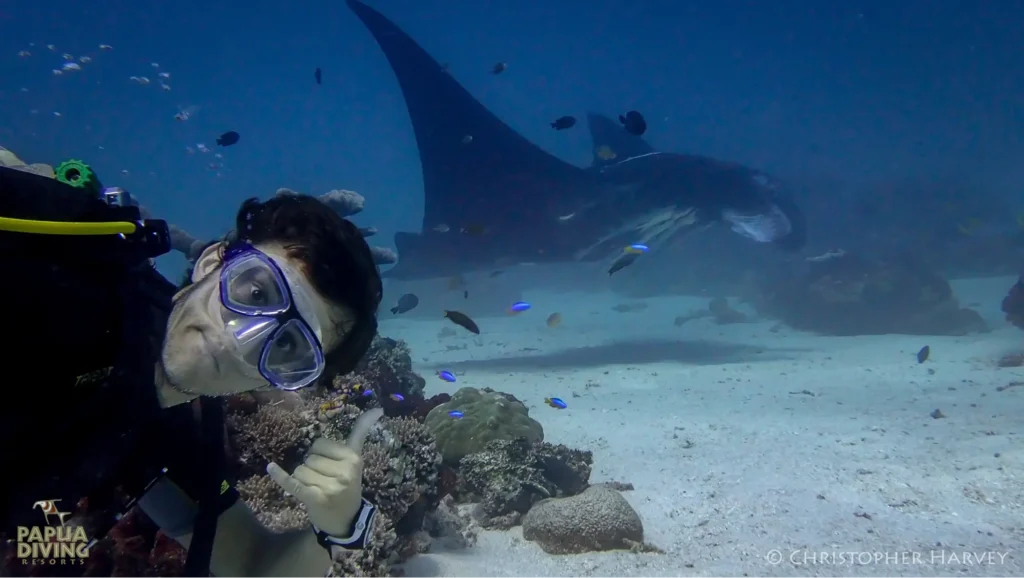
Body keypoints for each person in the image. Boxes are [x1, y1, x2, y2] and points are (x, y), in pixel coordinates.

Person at [0, 164, 384, 578]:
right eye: (256, 292)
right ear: (211, 262)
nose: (239, 340)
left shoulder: (168, 433)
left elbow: (254, 564)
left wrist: (339, 528)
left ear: (282, 381)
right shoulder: (51, 282)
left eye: (288, 346)